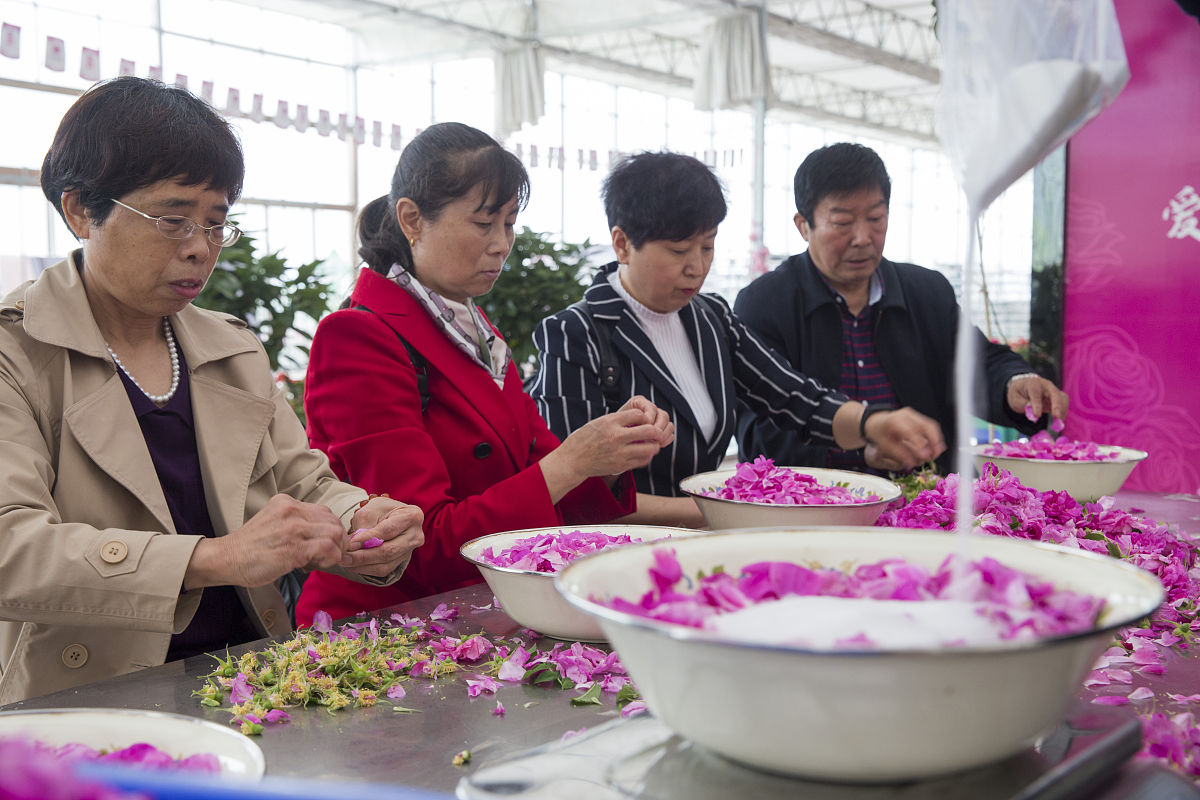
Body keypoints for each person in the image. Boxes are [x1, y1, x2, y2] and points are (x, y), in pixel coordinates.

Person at [0, 77, 424, 704]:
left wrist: (360, 521)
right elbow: (12, 548)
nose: (200, 248)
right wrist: (214, 559)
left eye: (217, 222)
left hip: (248, 680)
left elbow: (302, 483)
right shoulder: (18, 353)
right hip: (85, 698)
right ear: (81, 211)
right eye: (172, 220)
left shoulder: (229, 347)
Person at [295, 123, 673, 626]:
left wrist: (605, 454)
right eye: (483, 224)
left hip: (470, 614)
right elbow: (416, 541)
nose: (501, 245)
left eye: (510, 224)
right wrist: (572, 461)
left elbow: (541, 473)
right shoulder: (359, 337)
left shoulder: (475, 331)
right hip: (385, 629)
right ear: (412, 220)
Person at [528, 152, 945, 527]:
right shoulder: (575, 334)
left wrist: (874, 422)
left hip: (710, 542)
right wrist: (722, 512)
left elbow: (791, 396)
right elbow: (578, 490)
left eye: (707, 247)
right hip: (625, 553)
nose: (697, 267)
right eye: (678, 251)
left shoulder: (711, 319)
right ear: (622, 243)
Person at [734, 142, 1069, 474]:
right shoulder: (765, 305)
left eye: (876, 218)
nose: (863, 237)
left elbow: (980, 363)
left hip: (926, 499)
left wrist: (1015, 383)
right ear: (803, 225)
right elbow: (758, 436)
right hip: (815, 507)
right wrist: (861, 452)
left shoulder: (926, 292)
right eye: (842, 222)